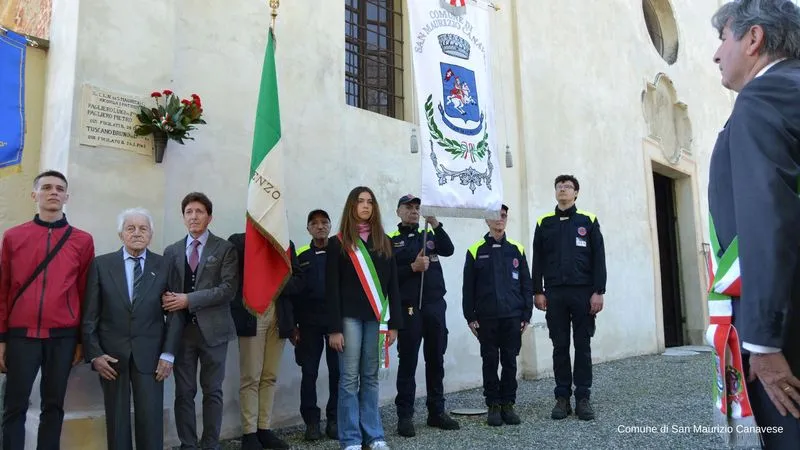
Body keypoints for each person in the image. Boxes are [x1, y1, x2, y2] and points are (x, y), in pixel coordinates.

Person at [707, 1, 800, 447]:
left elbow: (768, 217)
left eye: (722, 38)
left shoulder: (761, 99)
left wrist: (763, 342)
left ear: (753, 38)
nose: (716, 54)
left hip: (786, 323)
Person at [0, 169, 94, 449]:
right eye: (47, 187)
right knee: (14, 405)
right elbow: (3, 288)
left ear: (66, 197)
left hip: (62, 337)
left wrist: (81, 340)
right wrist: (2, 338)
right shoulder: (13, 237)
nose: (53, 192)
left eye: (59, 189)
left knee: (53, 406)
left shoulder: (82, 240)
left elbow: (85, 291)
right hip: (21, 335)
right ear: (34, 195)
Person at [82, 208, 184, 450]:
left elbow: (175, 312)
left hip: (151, 355)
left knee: (150, 419)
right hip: (111, 357)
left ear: (150, 234)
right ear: (121, 234)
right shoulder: (101, 265)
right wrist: (95, 354)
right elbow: (90, 316)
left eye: (143, 228)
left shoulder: (165, 265)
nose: (137, 233)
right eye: (131, 228)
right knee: (117, 421)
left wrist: (168, 354)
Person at [327, 186, 403, 450]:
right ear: (352, 206)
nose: (366, 205)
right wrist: (334, 328)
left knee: (370, 376)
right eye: (360, 201)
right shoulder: (337, 243)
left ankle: (374, 435)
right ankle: (351, 439)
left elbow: (393, 285)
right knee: (349, 379)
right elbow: (331, 289)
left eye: (370, 201)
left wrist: (394, 325)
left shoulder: (385, 241)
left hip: (377, 319)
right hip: (348, 319)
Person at [163, 192, 238, 450]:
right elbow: (167, 290)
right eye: (189, 212)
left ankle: (210, 444)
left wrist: (188, 299)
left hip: (214, 332)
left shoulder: (224, 248)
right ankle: (188, 444)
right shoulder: (171, 251)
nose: (194, 216)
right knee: (184, 392)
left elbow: (227, 289)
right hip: (182, 332)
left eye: (199, 211)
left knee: (212, 391)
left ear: (209, 217)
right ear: (183, 217)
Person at [530, 174, 606, 421]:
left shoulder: (588, 220)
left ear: (576, 193)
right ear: (555, 192)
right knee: (560, 346)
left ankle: (583, 398)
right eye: (559, 186)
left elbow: (599, 258)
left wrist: (598, 291)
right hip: (555, 293)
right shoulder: (544, 222)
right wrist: (537, 291)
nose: (562, 189)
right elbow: (538, 259)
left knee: (582, 346)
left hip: (583, 293)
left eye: (568, 186)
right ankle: (562, 398)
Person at [390, 194, 460, 437]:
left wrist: (435, 223)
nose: (413, 211)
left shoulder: (429, 235)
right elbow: (387, 276)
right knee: (408, 361)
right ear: (398, 211)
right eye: (408, 207)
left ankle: (436, 412)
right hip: (409, 308)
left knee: (436, 359)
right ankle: (405, 416)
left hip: (434, 305)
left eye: (417, 207)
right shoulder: (390, 241)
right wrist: (412, 268)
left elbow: (449, 250)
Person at [462, 204, 532, 427]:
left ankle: (508, 404)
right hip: (487, 318)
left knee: (510, 361)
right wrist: (470, 316)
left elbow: (526, 284)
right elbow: (468, 288)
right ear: (487, 220)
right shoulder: (475, 250)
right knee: (490, 361)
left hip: (512, 316)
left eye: (503, 216)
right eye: (495, 216)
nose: (500, 219)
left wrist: (526, 314)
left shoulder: (517, 249)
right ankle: (493, 404)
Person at [228, 232, 298, 450]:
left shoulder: (286, 243)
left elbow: (298, 281)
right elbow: (232, 279)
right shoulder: (239, 241)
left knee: (269, 376)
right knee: (251, 376)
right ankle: (249, 433)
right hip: (253, 315)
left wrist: (275, 279)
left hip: (278, 315)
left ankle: (263, 429)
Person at [292, 209, 339, 441]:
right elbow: (293, 293)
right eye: (314, 223)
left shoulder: (341, 253)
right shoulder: (300, 255)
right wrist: (293, 325)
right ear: (308, 228)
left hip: (335, 322)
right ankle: (311, 423)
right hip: (308, 322)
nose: (320, 226)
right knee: (309, 372)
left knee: (337, 372)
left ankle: (335, 419)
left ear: (330, 225)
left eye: (324, 222)